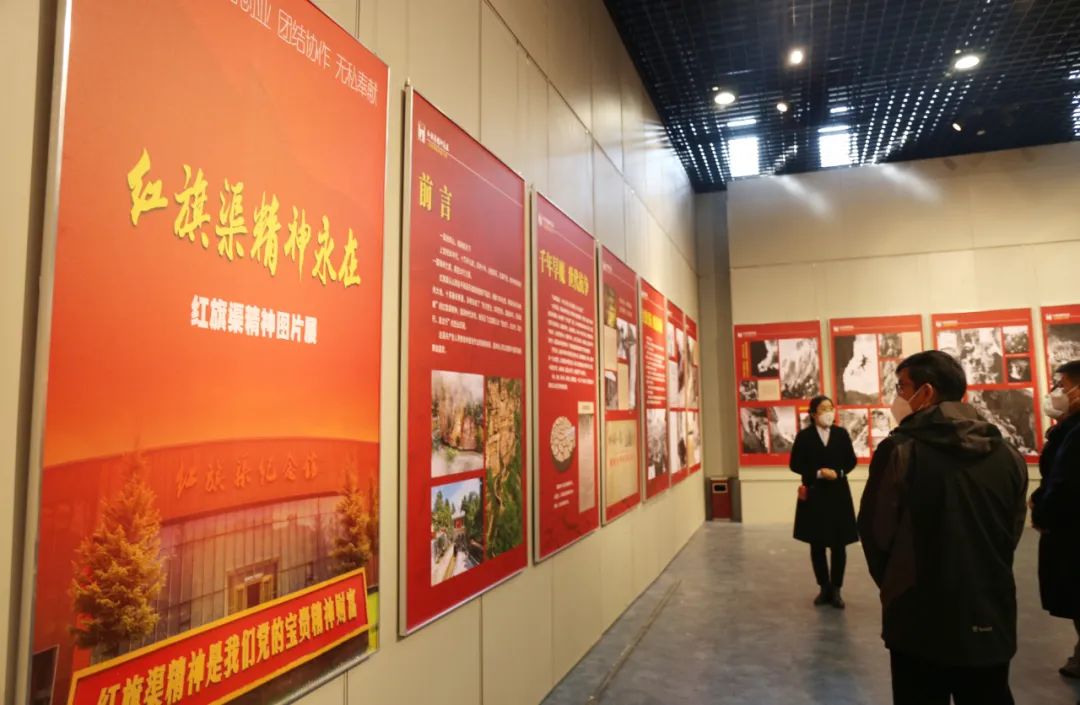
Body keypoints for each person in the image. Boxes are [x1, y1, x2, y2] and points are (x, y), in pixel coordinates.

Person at [858, 350, 1028, 705]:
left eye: (902, 387)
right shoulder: (1007, 454)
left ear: (927, 392)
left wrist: (898, 586)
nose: (897, 396)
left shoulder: (899, 451)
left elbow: (877, 533)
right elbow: (1011, 530)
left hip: (918, 618)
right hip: (989, 610)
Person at [1032, 360, 1080, 680]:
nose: (1056, 393)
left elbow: (1066, 481)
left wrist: (1044, 511)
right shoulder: (1069, 428)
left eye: (1063, 386)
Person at [789, 395, 858, 609]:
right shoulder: (804, 437)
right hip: (815, 494)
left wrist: (838, 473)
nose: (828, 412)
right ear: (813, 414)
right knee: (817, 544)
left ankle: (836, 589)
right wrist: (818, 473)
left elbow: (851, 461)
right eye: (823, 409)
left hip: (838, 494)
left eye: (830, 408)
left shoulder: (841, 434)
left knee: (839, 545)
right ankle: (824, 587)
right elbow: (795, 464)